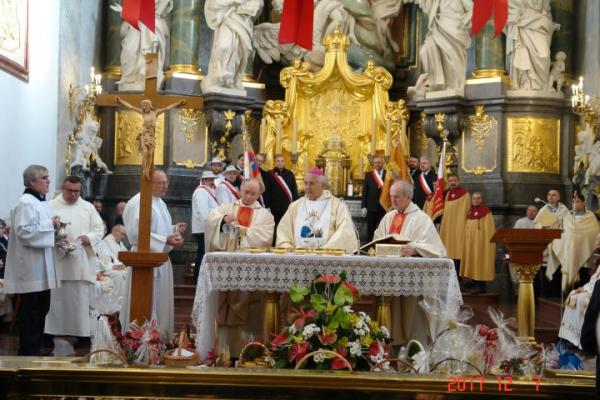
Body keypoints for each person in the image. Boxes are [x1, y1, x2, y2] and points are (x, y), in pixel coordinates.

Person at [204, 178, 275, 355]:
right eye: (246, 192)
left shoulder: (265, 215)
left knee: (250, 306)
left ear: (259, 194)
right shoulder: (226, 208)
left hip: (250, 270)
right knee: (224, 305)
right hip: (227, 268)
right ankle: (223, 350)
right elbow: (210, 221)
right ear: (240, 190)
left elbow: (265, 237)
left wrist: (242, 231)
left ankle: (248, 350)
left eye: (253, 193)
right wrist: (222, 221)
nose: (249, 196)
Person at [373, 180, 447, 344]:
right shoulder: (388, 217)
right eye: (391, 196)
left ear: (408, 197)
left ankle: (410, 345)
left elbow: (436, 248)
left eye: (397, 196)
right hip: (387, 275)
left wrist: (416, 249)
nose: (393, 200)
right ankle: (386, 343)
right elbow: (377, 239)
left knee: (409, 314)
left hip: (410, 278)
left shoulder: (421, 219)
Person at [121, 170, 187, 338]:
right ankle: (139, 339)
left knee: (160, 302)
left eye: (166, 182)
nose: (165, 186)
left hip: (160, 259)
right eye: (161, 183)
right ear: (149, 183)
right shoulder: (139, 202)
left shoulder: (159, 202)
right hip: (144, 260)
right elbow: (136, 234)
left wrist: (174, 230)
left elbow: (156, 229)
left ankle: (159, 338)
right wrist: (165, 240)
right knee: (146, 302)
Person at [44, 176, 105, 355]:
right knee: (57, 302)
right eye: (69, 191)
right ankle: (52, 334)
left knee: (79, 301)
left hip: (80, 261)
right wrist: (57, 239)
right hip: (58, 260)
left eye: (77, 191)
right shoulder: (50, 206)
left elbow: (99, 228)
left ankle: (80, 335)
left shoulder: (88, 207)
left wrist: (89, 237)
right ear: (63, 188)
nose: (73, 194)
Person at [4, 165, 60, 355]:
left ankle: (34, 349)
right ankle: (27, 352)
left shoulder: (42, 202)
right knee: (31, 313)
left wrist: (57, 230)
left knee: (41, 309)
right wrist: (50, 224)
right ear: (31, 182)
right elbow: (24, 231)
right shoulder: (26, 203)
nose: (48, 181)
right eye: (44, 178)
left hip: (42, 268)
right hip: (31, 269)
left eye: (48, 177)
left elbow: (43, 230)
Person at [276, 168, 359, 254]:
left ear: (322, 185)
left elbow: (345, 233)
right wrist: (287, 247)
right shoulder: (295, 206)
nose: (307, 187)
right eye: (306, 183)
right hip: (297, 258)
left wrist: (324, 252)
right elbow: (283, 232)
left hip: (326, 259)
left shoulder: (337, 206)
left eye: (311, 183)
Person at [202, 0, 262, 93]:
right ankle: (218, 76)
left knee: (240, 53)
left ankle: (232, 79)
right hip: (227, 18)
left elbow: (257, 7)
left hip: (242, 22)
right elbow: (214, 4)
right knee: (224, 46)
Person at [413, 0, 472, 91]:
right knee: (426, 49)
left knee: (453, 56)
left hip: (455, 28)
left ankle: (454, 85)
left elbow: (472, 9)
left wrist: (464, 22)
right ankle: (438, 82)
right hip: (440, 26)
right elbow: (427, 6)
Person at [549, 192, 600, 292]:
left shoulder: (590, 217)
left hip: (585, 255)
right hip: (569, 253)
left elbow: (593, 233)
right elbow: (562, 233)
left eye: (578, 201)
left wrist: (578, 237)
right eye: (573, 201)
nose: (575, 204)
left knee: (583, 280)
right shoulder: (567, 216)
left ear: (584, 203)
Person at [505, 0, 558, 91]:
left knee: (544, 55)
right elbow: (509, 6)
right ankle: (525, 83)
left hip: (540, 24)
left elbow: (547, 10)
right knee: (522, 55)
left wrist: (546, 20)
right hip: (522, 24)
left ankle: (542, 86)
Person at [559, 234, 600, 349]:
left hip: (596, 292)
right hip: (593, 288)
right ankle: (569, 337)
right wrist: (585, 288)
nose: (597, 244)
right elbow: (594, 279)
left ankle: (582, 338)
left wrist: (587, 289)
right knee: (573, 294)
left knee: (582, 299)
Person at [460, 192, 497, 294]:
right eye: (474, 198)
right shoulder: (470, 212)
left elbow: (489, 230)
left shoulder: (486, 212)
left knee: (480, 261)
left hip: (480, 244)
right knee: (472, 261)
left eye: (478, 198)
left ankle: (480, 286)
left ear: (482, 200)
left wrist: (485, 243)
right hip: (471, 243)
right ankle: (474, 284)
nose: (476, 200)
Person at [535, 189, 570, 286]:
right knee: (544, 274)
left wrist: (555, 224)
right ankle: (546, 293)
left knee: (556, 276)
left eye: (554, 195)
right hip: (545, 245)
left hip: (558, 246)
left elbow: (568, 227)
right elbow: (536, 225)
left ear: (558, 197)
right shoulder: (543, 210)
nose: (551, 197)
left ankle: (555, 293)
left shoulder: (564, 211)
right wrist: (542, 226)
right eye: (549, 195)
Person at [191, 171, 219, 282]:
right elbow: (203, 212)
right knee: (202, 254)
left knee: (204, 253)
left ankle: (200, 279)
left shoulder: (208, 191)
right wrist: (209, 226)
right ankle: (198, 279)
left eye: (212, 179)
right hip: (204, 228)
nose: (210, 181)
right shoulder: (201, 191)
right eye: (208, 179)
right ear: (203, 180)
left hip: (207, 227)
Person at [439, 173, 471, 264]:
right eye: (450, 181)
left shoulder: (465, 194)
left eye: (455, 181)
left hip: (459, 226)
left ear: (458, 181)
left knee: (459, 247)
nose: (453, 183)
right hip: (448, 225)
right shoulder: (446, 194)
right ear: (448, 182)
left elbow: (467, 211)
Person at [509, 204, 539, 287]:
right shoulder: (520, 222)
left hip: (535, 252)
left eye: (533, 211)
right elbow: (514, 237)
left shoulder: (540, 222)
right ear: (526, 212)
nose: (531, 212)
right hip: (521, 251)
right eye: (529, 210)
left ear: (537, 213)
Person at [361, 156, 388, 241]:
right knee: (370, 230)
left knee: (383, 230)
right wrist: (363, 206)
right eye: (376, 162)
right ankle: (369, 246)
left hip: (384, 207)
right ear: (373, 164)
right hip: (371, 207)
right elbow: (365, 191)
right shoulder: (369, 174)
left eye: (379, 162)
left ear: (383, 163)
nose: (377, 164)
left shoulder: (388, 174)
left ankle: (382, 245)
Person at [269, 154, 299, 227]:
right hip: (274, 206)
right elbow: (267, 191)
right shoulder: (269, 174)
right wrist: (267, 205)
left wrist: (296, 204)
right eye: (278, 161)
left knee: (285, 226)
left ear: (284, 163)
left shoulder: (290, 174)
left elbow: (294, 190)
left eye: (282, 161)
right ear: (275, 162)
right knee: (274, 226)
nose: (280, 163)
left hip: (286, 206)